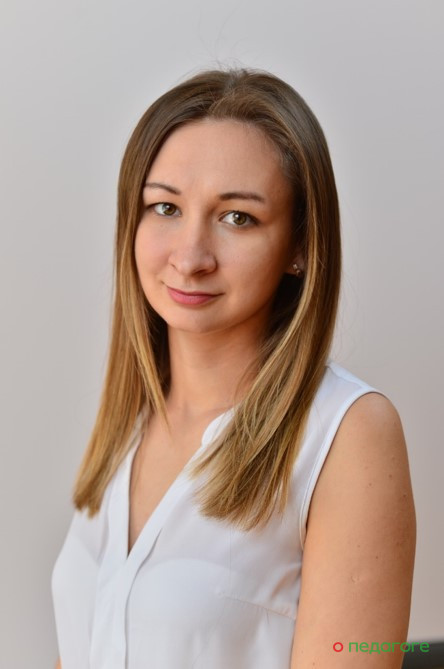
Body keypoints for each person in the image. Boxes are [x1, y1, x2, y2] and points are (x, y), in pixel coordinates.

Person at [51, 66, 416, 669]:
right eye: (165, 207)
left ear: (300, 245)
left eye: (237, 217)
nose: (190, 257)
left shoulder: (347, 434)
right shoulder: (130, 421)